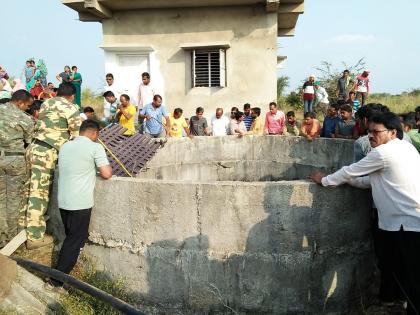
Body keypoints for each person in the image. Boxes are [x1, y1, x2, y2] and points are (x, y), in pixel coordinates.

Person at [310, 112, 420, 315]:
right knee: (405, 268)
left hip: (406, 223)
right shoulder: (406, 147)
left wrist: (324, 179)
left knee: (412, 274)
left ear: (392, 132)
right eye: (368, 131)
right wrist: (350, 180)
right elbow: (374, 180)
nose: (370, 135)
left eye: (375, 131)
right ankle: (398, 301)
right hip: (409, 220)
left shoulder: (382, 153)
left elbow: (350, 171)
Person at [45, 119, 112, 292]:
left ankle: (61, 275)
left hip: (64, 201)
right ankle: (56, 281)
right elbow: (106, 173)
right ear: (94, 133)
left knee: (72, 239)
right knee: (74, 241)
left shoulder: (66, 146)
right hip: (80, 203)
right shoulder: (95, 147)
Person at [22, 83, 82, 249]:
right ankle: (34, 237)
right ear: (72, 96)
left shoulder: (47, 103)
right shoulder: (71, 108)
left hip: (33, 149)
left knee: (27, 190)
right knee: (38, 195)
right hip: (46, 153)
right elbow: (77, 137)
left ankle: (21, 229)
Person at [0, 90, 34, 248]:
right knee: (14, 201)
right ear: (20, 102)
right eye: (27, 106)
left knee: (1, 200)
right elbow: (30, 141)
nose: (27, 109)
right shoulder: (25, 119)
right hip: (15, 160)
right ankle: (12, 241)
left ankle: (1, 237)